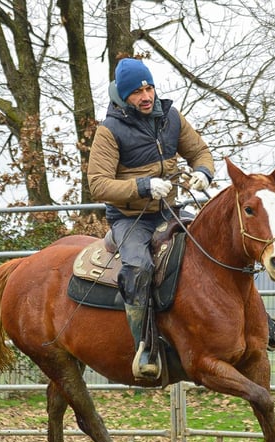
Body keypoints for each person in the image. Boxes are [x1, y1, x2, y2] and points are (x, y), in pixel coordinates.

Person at [87, 58, 214, 379]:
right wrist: (142, 186)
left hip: (169, 210)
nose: (145, 96)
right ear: (122, 97)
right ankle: (145, 346)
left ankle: (256, 323)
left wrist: (203, 172)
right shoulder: (109, 131)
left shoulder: (170, 116)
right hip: (130, 219)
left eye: (149, 87)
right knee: (139, 268)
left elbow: (200, 151)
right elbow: (98, 184)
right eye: (137, 92)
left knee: (214, 243)